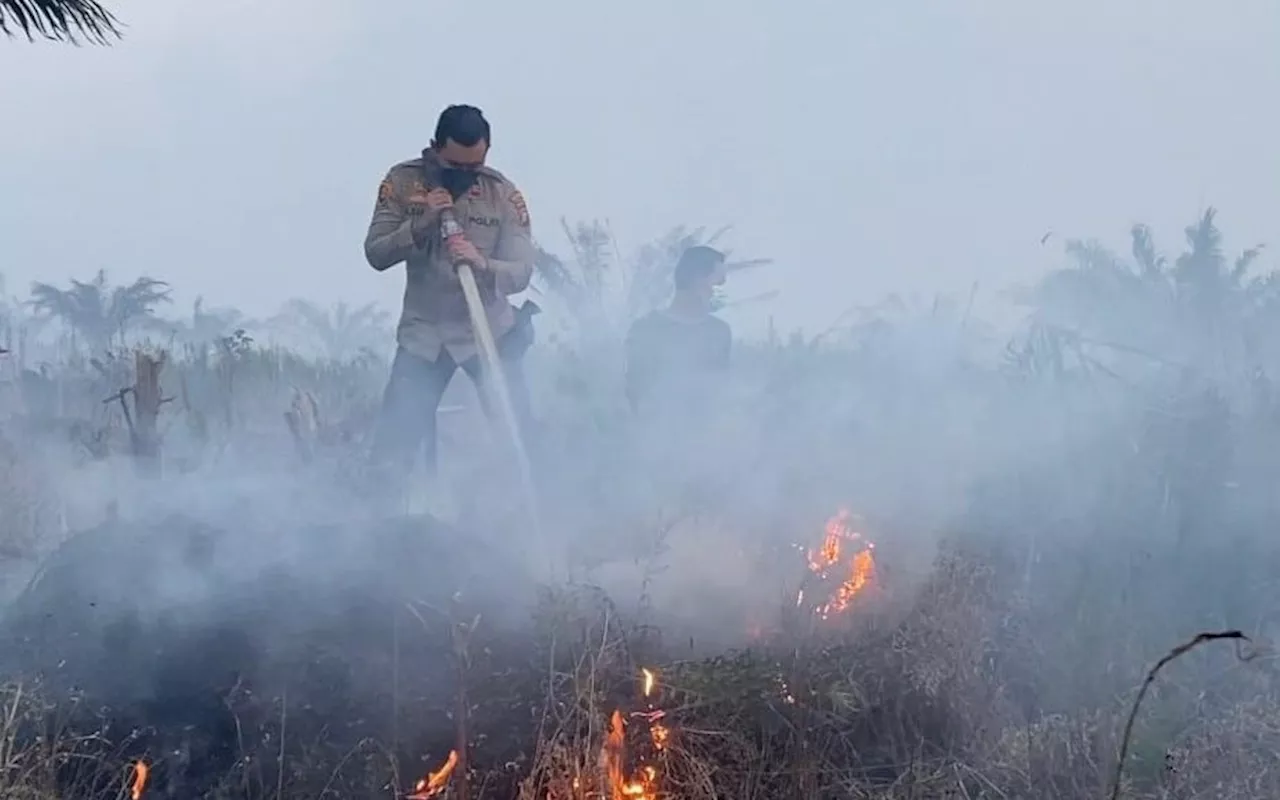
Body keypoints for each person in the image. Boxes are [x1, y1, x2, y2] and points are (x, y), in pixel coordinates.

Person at [364, 104, 537, 478]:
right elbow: (376, 253)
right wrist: (423, 223)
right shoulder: (403, 183)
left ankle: (532, 522)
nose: (464, 176)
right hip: (424, 337)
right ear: (436, 147)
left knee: (521, 441)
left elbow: (522, 272)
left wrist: (483, 264)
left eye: (472, 167)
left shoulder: (503, 196)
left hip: (488, 332)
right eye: (455, 167)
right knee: (392, 451)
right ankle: (378, 528)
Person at [624, 245, 732, 417]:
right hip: (656, 434)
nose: (717, 292)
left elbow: (721, 390)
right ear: (696, 280)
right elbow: (634, 392)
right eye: (717, 284)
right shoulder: (646, 329)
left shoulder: (719, 332)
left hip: (708, 436)